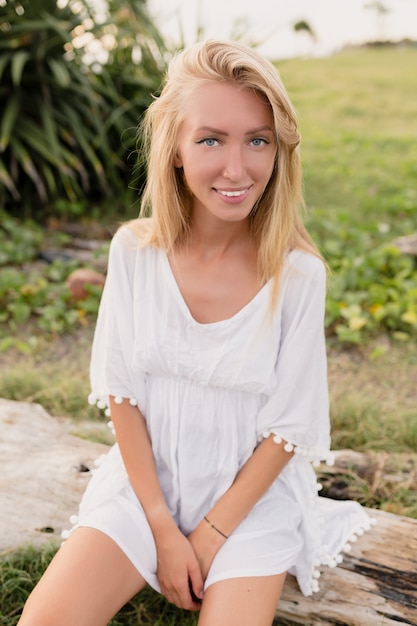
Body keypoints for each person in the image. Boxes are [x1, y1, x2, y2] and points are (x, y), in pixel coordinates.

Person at [18, 39, 374, 626]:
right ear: (176, 149)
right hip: (145, 485)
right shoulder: (135, 251)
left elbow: (287, 428)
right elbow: (122, 392)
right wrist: (162, 524)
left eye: (257, 140)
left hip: (248, 504)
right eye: (211, 140)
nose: (237, 169)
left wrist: (209, 534)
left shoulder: (299, 276)